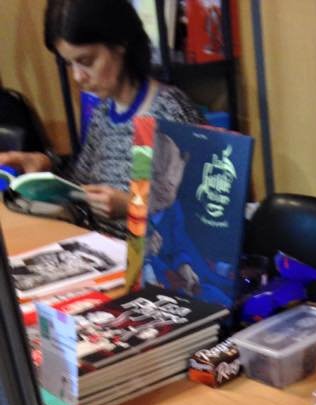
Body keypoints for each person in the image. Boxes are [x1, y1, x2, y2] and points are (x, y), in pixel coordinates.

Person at [0, 0, 203, 233]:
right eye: (69, 64)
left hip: (143, 255)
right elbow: (79, 190)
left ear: (120, 43)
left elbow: (206, 215)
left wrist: (132, 206)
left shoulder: (169, 111)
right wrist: (45, 168)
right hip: (97, 246)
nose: (77, 77)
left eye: (86, 61)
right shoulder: (103, 112)